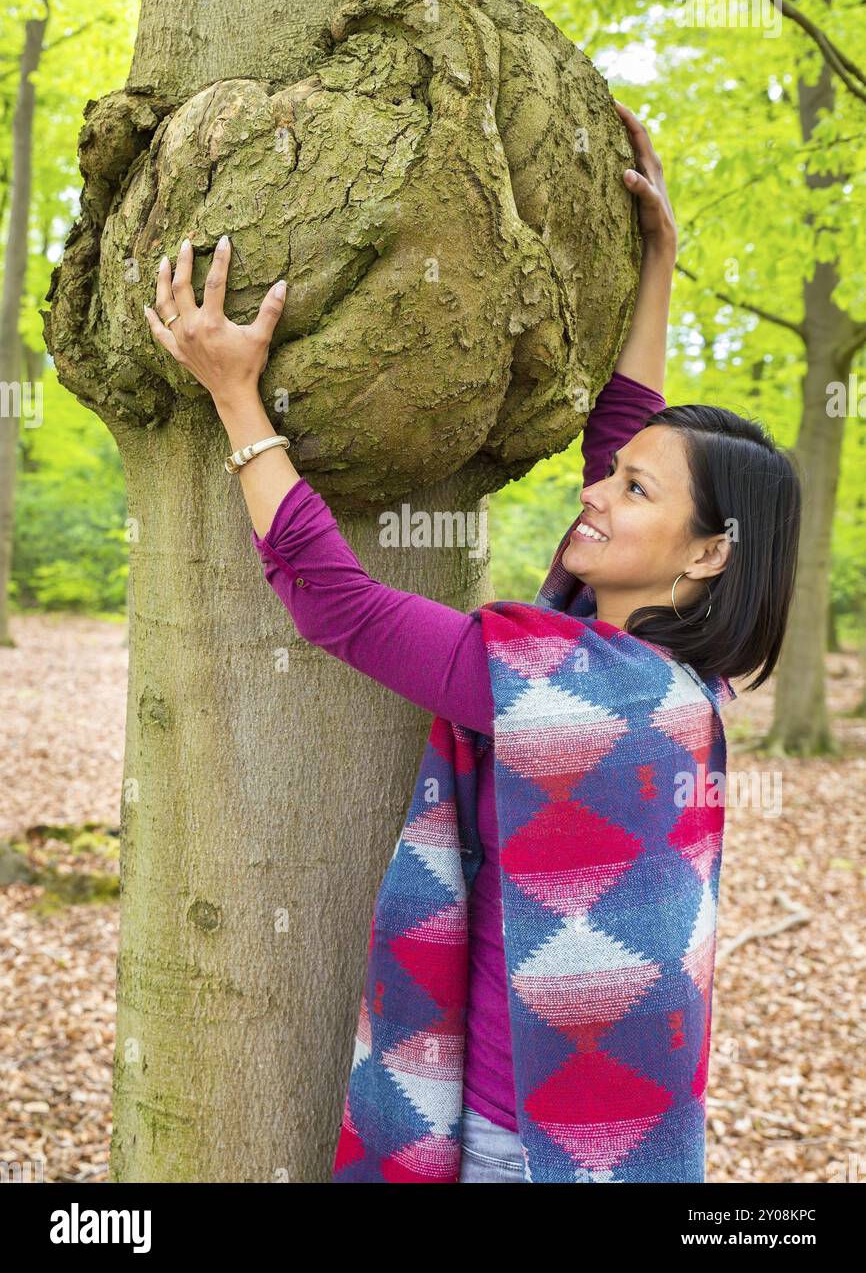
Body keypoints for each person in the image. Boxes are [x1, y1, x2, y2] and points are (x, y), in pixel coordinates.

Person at [144, 103, 802, 1183]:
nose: (594, 492)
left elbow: (336, 604)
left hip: (529, 1154)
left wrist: (234, 396)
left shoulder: (576, 697)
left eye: (630, 490)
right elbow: (627, 426)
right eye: (611, 471)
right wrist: (657, 260)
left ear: (702, 556)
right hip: (630, 1136)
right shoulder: (683, 678)